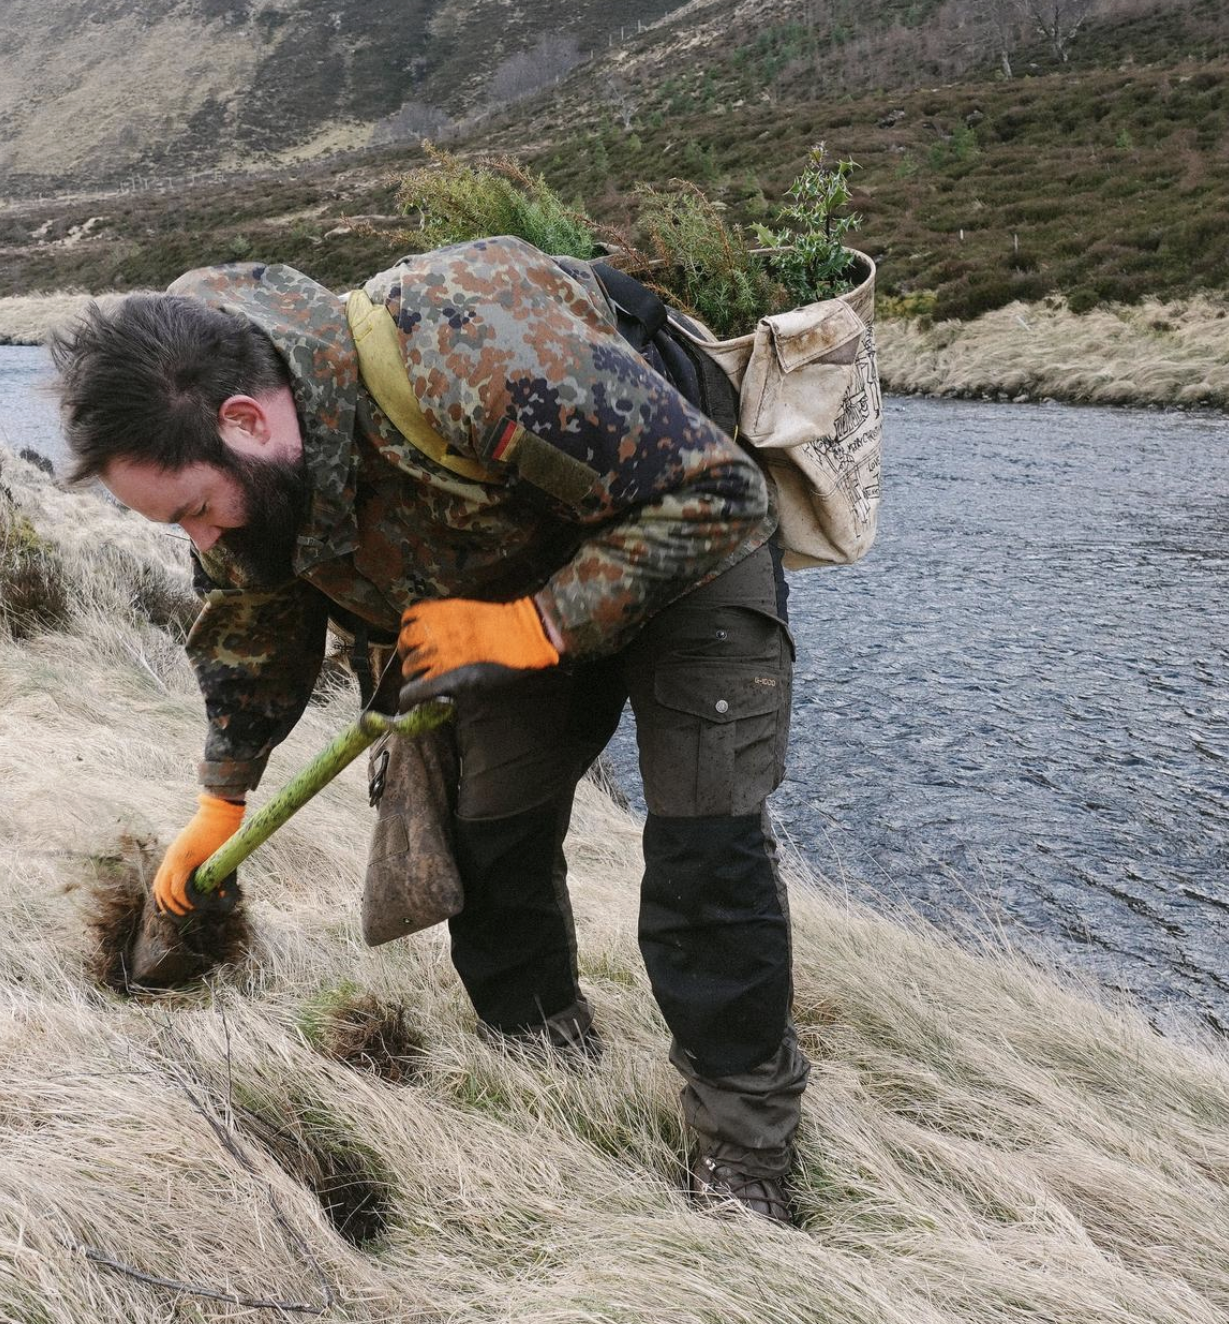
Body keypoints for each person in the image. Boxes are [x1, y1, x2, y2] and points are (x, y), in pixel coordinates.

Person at [52, 236, 809, 1224]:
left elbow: (716, 496)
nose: (202, 538)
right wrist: (221, 795)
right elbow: (253, 618)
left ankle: (744, 1154)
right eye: (176, 526)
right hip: (503, 575)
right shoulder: (248, 485)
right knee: (486, 836)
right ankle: (543, 1062)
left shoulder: (467, 345)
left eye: (196, 508)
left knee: (703, 852)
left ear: (246, 420)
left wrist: (537, 626)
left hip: (683, 536)